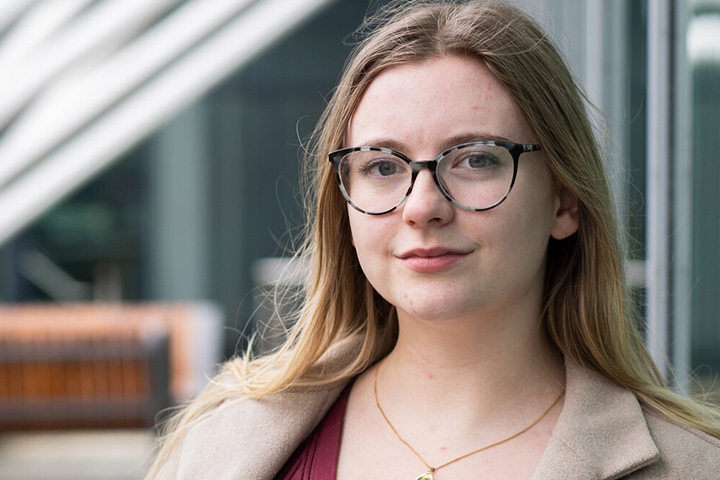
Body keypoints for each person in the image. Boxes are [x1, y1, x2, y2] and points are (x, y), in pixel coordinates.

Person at [145, 1, 720, 478]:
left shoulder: (693, 466)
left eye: (475, 158)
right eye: (382, 166)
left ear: (565, 200)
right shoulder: (218, 442)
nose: (423, 207)